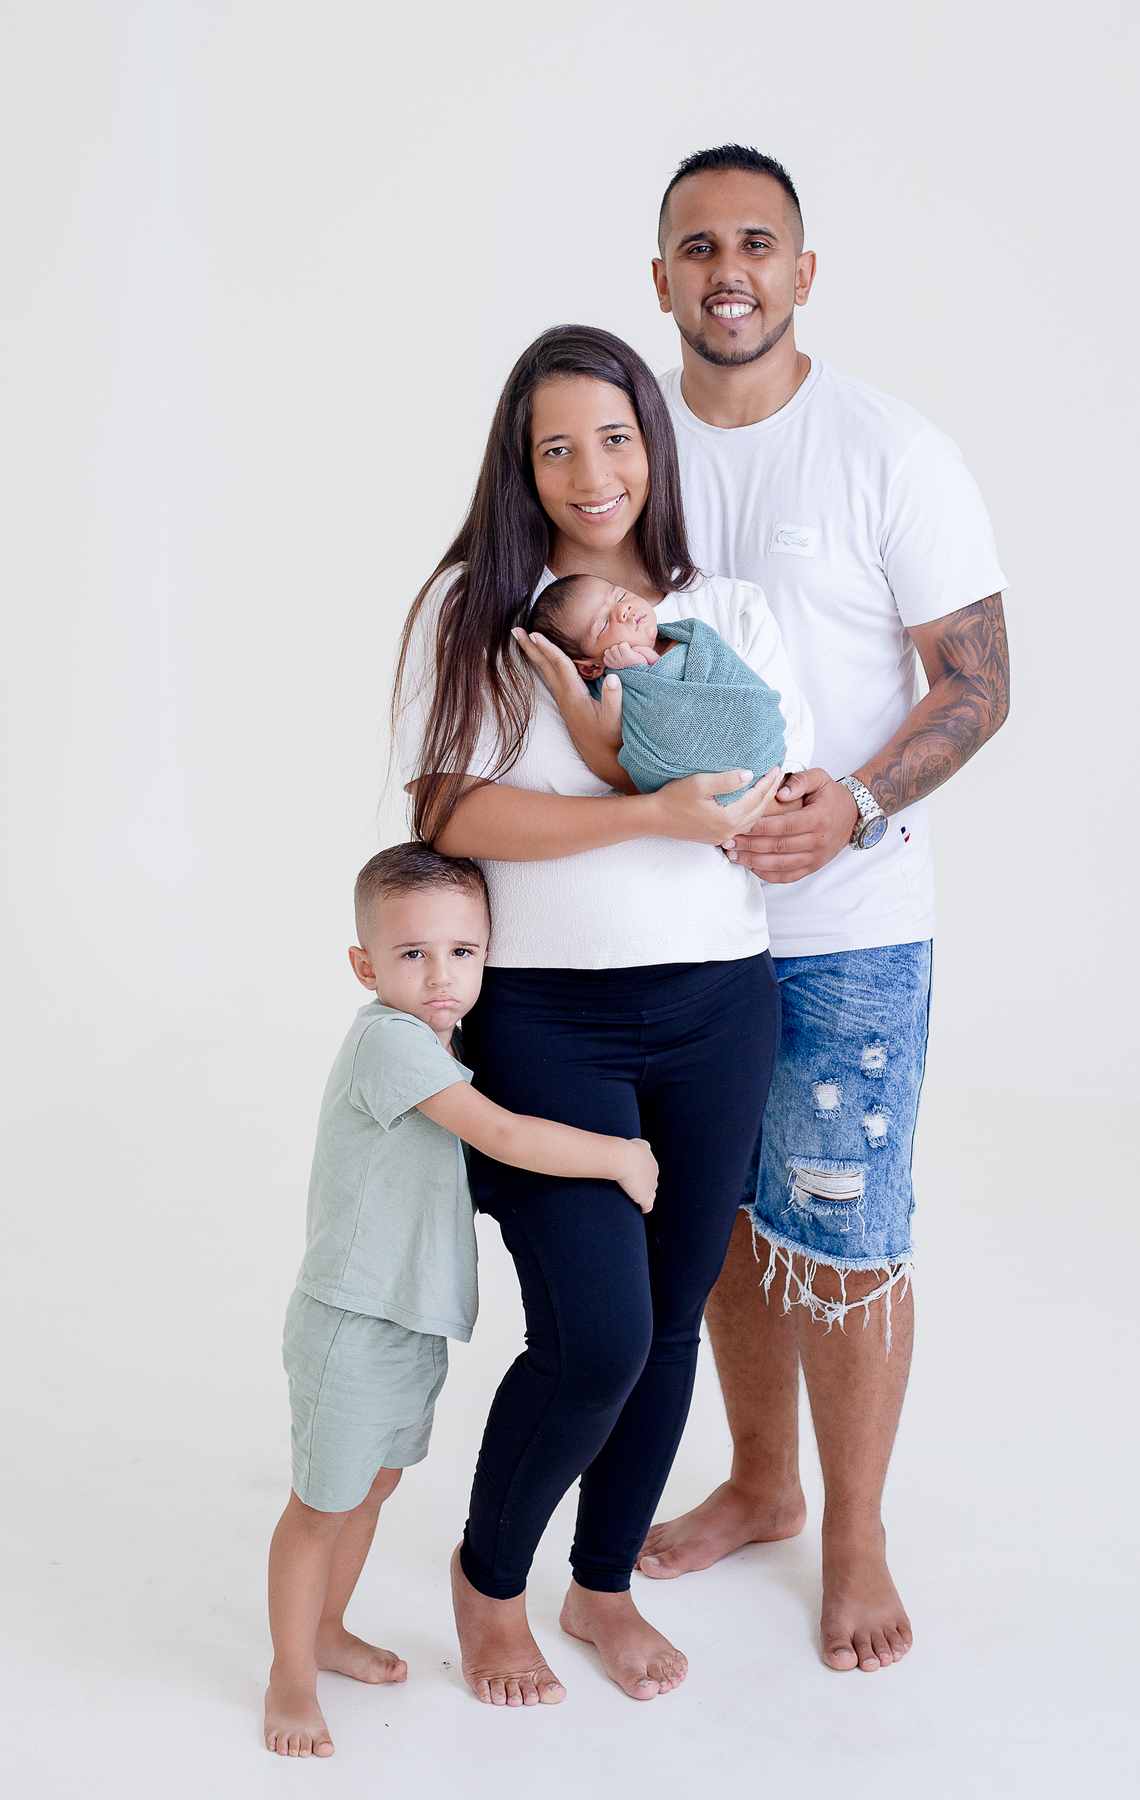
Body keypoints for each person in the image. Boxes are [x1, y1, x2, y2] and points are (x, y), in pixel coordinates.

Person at [628, 142, 1010, 1675]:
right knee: (723, 1218)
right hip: (673, 925)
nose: (729, 270)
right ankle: (763, 1484)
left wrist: (851, 800)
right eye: (699, 245)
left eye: (757, 242)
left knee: (845, 1232)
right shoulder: (624, 446)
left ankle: (855, 1536)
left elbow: (977, 682)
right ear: (661, 277)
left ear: (802, 271)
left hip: (850, 926)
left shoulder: (888, 448)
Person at [392, 324, 814, 1705]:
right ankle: (489, 1582)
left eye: (617, 438)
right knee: (596, 1337)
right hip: (545, 1023)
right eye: (557, 447)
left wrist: (601, 744)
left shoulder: (724, 608)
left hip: (716, 1007)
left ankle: (602, 1584)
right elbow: (450, 810)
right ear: (521, 467)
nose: (592, 474)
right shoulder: (477, 613)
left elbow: (749, 789)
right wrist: (643, 807)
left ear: (654, 445)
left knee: (672, 1321)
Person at [264, 842, 658, 1756]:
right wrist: (618, 1155)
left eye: (462, 952)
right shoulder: (390, 1042)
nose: (441, 975)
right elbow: (502, 1135)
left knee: (371, 1490)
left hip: (408, 1323)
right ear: (365, 965)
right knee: (321, 1508)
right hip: (354, 1322)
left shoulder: (440, 1042)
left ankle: (327, 1632)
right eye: (413, 954)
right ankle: (288, 1675)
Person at [527, 572, 790, 801]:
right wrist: (635, 672)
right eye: (604, 624)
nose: (623, 610)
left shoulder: (690, 635)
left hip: (765, 741)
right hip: (717, 783)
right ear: (589, 667)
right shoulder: (612, 687)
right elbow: (663, 725)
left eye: (620, 596)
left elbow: (729, 672)